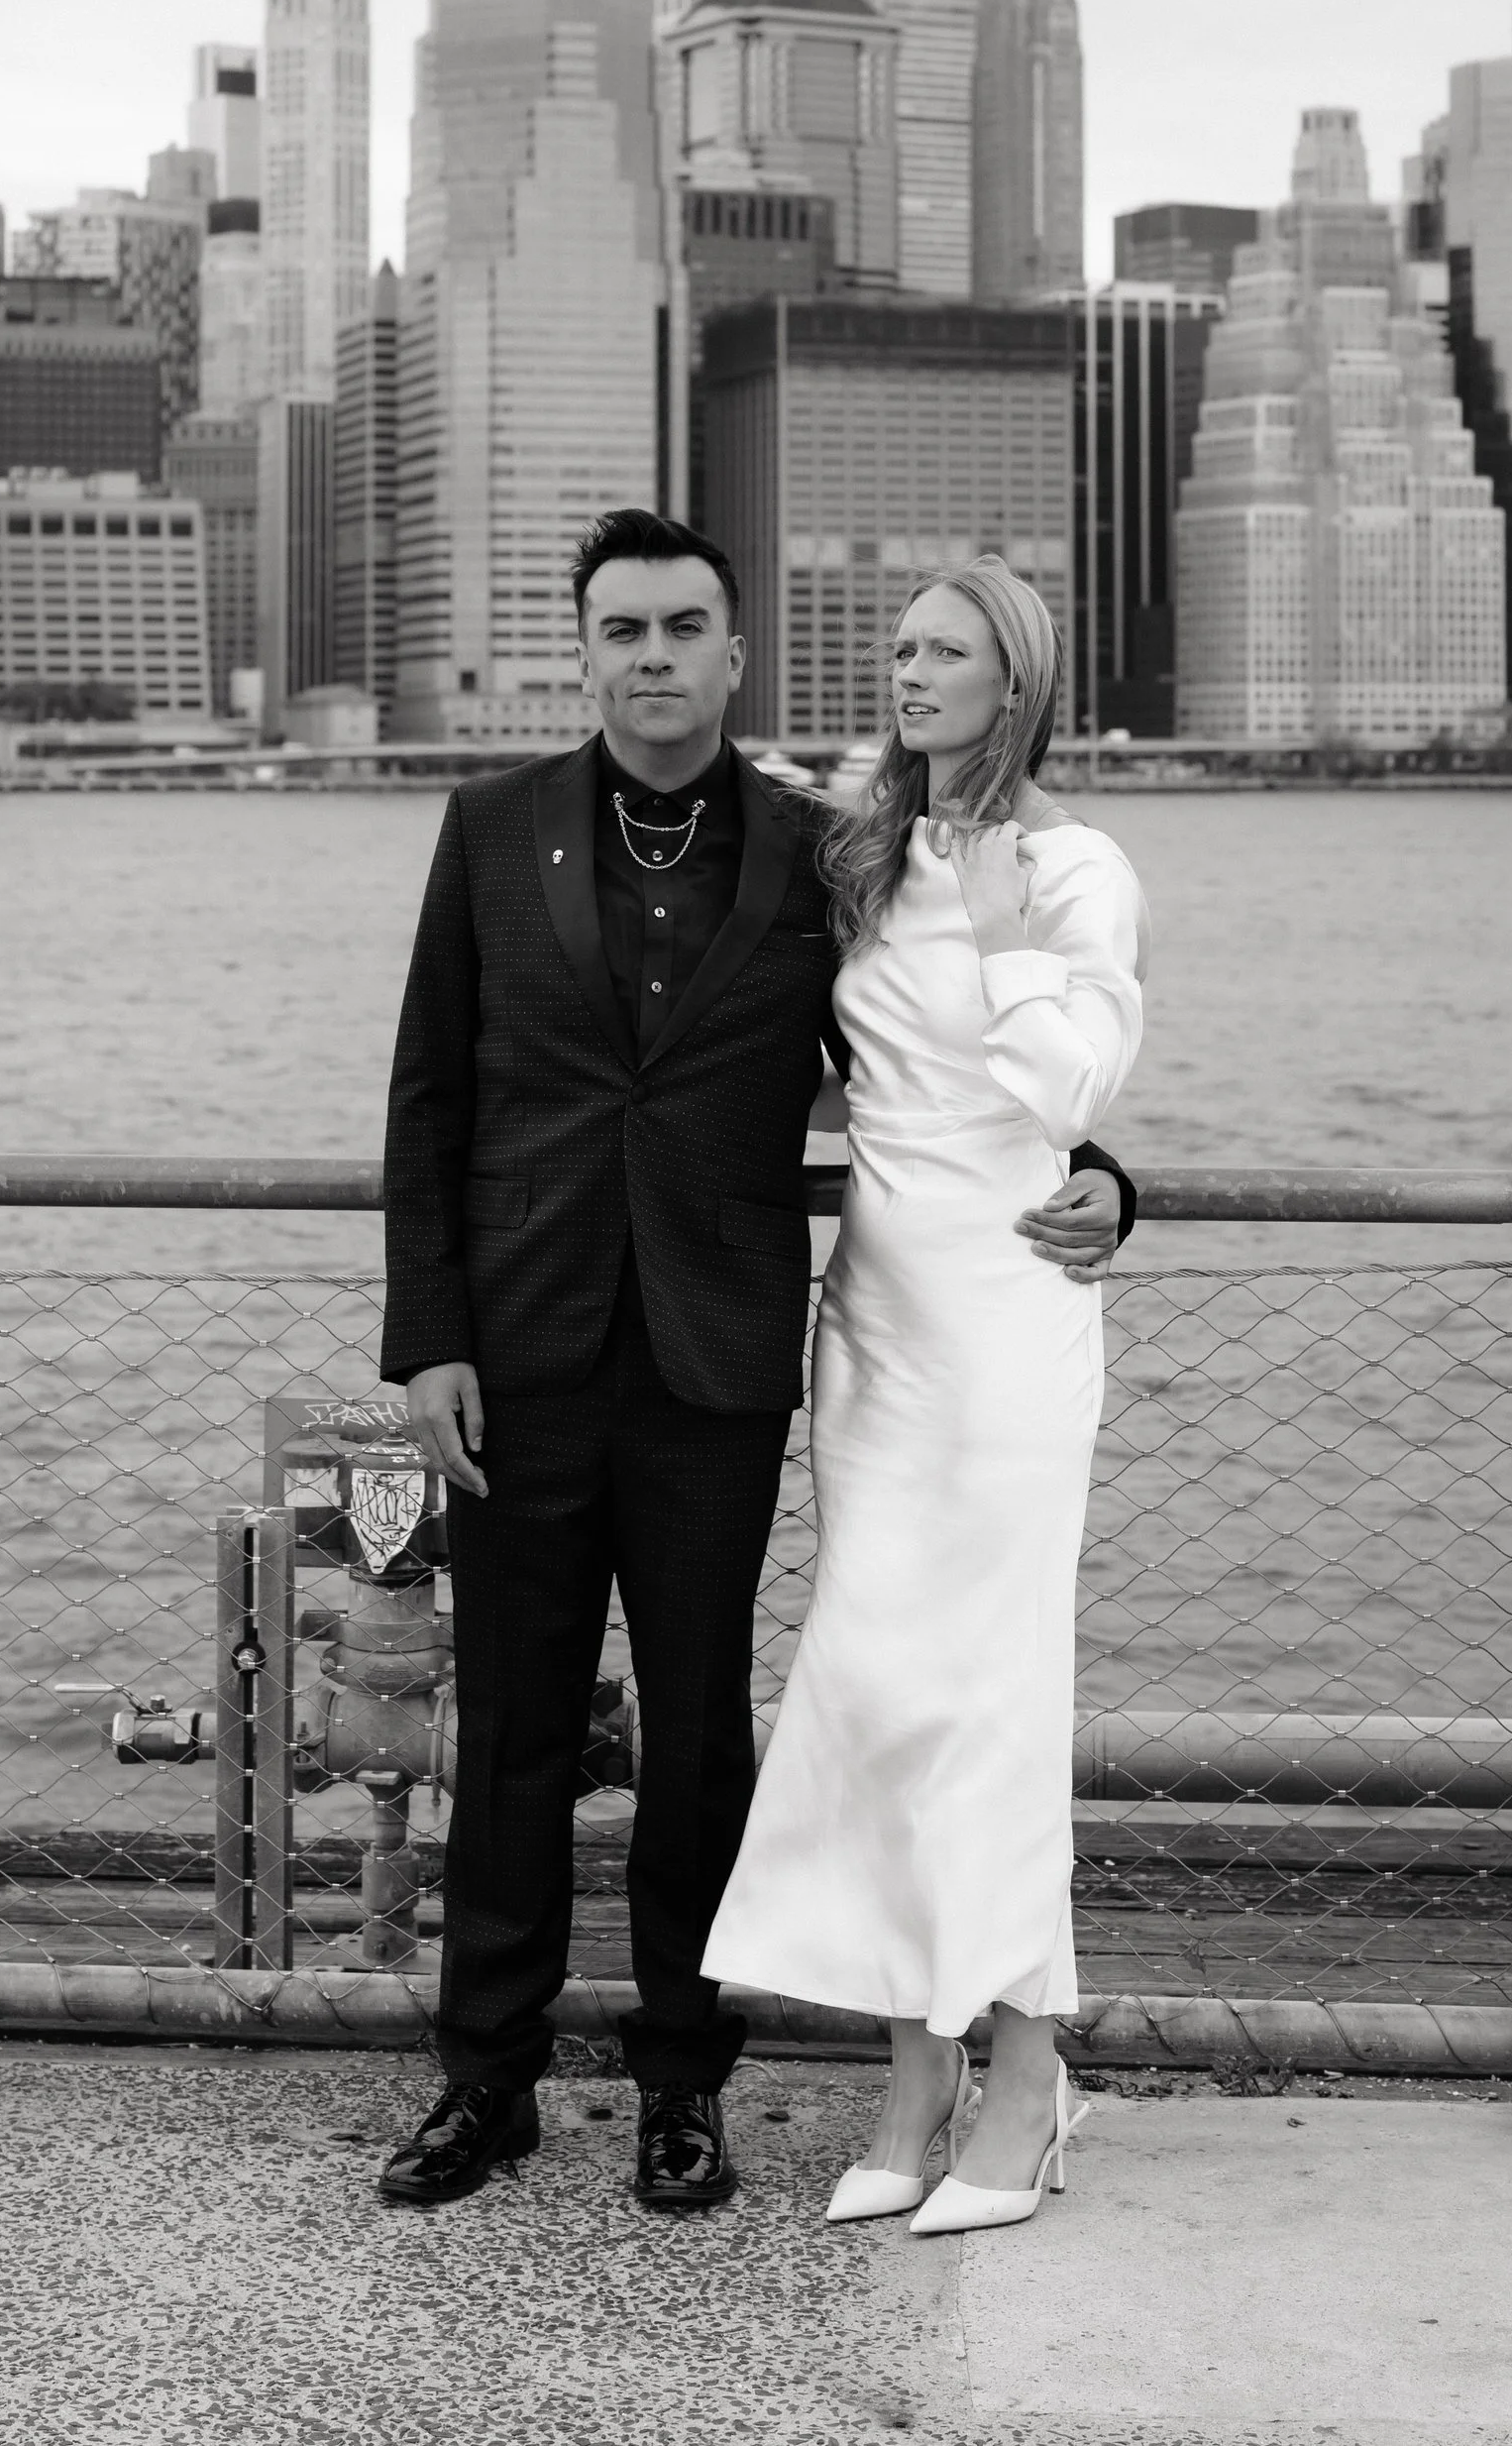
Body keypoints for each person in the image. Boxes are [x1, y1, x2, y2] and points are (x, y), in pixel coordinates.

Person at [373, 509, 1134, 2215]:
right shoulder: (491, 831)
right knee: (507, 1729)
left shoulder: (823, 852)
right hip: (521, 1351)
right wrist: (425, 1339)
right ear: (585, 651)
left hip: (719, 1360)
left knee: (704, 1735)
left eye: (685, 627)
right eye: (622, 628)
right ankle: (482, 2084)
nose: (653, 655)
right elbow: (429, 1095)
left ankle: (679, 2084)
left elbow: (937, 1068)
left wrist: (1103, 1182)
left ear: (735, 653)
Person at [702, 556, 1147, 2235]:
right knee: (882, 1693)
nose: (908, 671)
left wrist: (1022, 942)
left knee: (995, 1698)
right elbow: (838, 1065)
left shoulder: (1077, 866)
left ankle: (1023, 2080)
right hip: (875, 1324)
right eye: (897, 647)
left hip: (1010, 1325)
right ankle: (918, 2072)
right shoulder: (869, 855)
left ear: (1013, 680)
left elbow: (1063, 1087)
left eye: (945, 651)